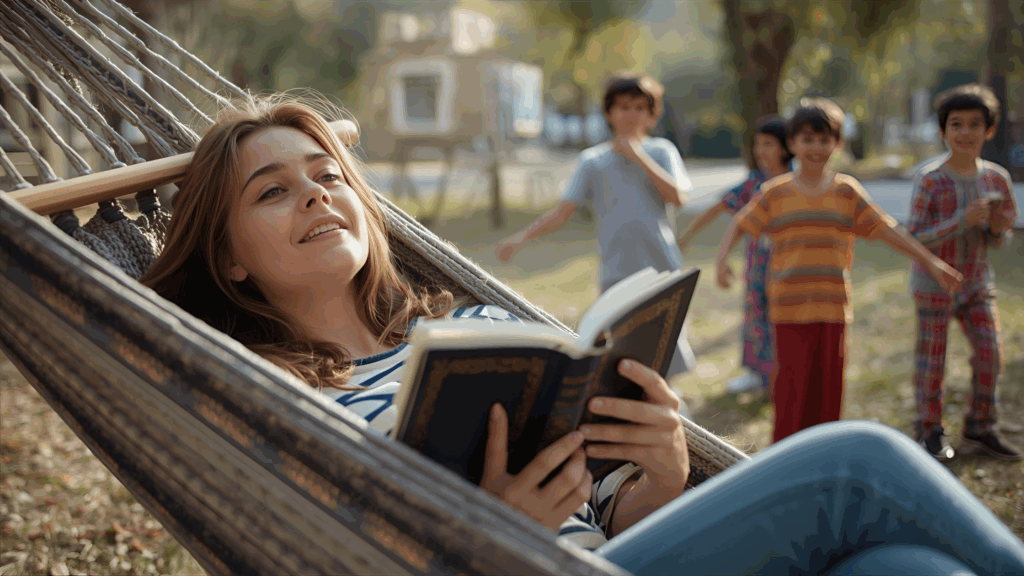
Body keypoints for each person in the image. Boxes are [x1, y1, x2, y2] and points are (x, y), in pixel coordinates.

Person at [142, 95, 1024, 575]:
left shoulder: (476, 328)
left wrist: (663, 467)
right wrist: (485, 544)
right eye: (272, 191)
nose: (315, 196)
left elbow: (612, 509)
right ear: (229, 261)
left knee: (908, 566)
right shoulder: (257, 397)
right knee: (856, 464)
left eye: (327, 175)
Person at [715, 98, 964, 444]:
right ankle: (785, 463)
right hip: (788, 311)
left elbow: (888, 229)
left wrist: (931, 261)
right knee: (791, 397)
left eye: (824, 139)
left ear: (838, 144)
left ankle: (825, 463)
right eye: (807, 139)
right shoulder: (775, 193)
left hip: (832, 310)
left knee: (828, 399)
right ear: (792, 143)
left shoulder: (847, 192)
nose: (816, 147)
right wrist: (722, 259)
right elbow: (741, 223)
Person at [495, 73, 696, 379]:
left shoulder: (661, 151)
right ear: (609, 112)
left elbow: (678, 197)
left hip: (661, 265)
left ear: (652, 114)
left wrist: (637, 155)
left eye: (640, 108)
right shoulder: (593, 160)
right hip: (617, 268)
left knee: (666, 341)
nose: (631, 114)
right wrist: (521, 239)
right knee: (624, 344)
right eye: (623, 106)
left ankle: (671, 402)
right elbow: (564, 211)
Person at [907, 83, 1021, 462]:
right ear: (943, 131)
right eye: (956, 124)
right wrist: (960, 220)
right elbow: (915, 238)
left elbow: (996, 241)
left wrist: (997, 227)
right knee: (932, 361)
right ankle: (929, 429)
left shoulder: (996, 180)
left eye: (975, 124)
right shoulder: (930, 180)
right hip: (934, 285)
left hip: (975, 283)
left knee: (990, 353)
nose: (965, 133)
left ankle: (980, 426)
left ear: (988, 131)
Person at [676, 116, 792, 396]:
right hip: (758, 267)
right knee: (755, 317)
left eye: (768, 144)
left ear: (787, 147)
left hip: (791, 268)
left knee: (783, 320)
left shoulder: (796, 184)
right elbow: (722, 210)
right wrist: (688, 236)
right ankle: (757, 375)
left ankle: (782, 377)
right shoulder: (754, 183)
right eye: (757, 145)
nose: (760, 151)